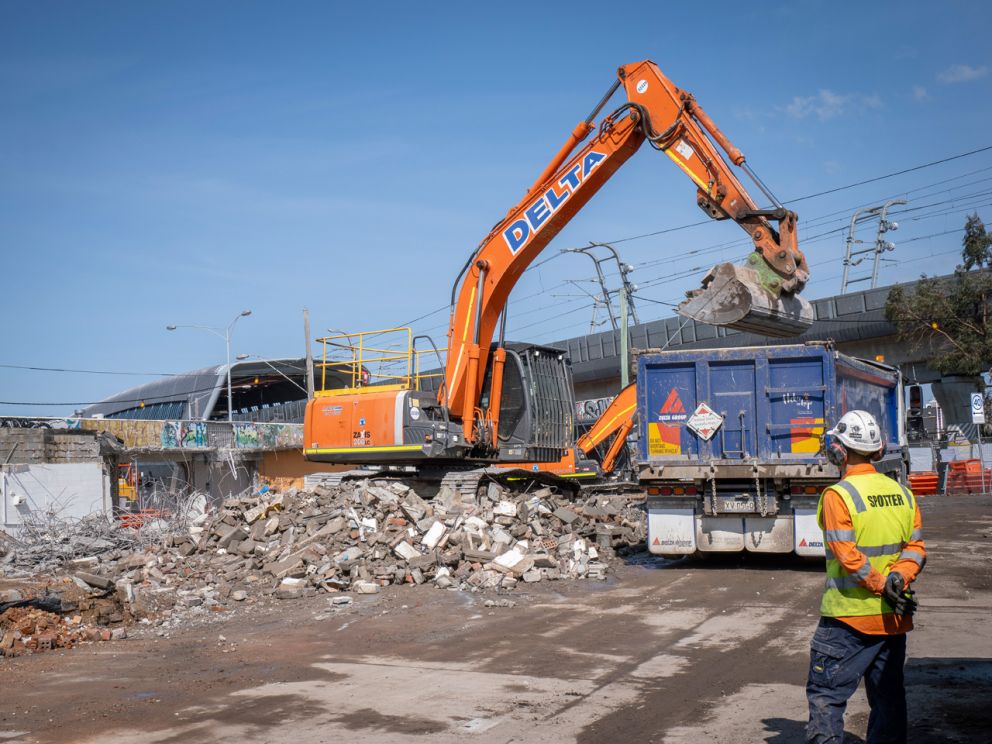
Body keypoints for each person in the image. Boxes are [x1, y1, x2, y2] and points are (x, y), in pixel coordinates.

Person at [806, 410, 926, 744]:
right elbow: (916, 548)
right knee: (888, 700)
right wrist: (898, 579)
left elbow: (847, 556)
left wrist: (880, 584)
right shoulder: (902, 493)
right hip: (892, 620)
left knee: (826, 698)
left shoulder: (838, 495)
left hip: (847, 620)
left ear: (840, 451)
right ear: (877, 450)